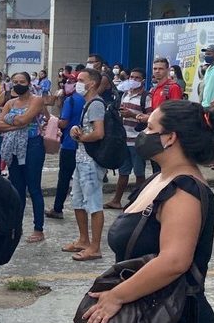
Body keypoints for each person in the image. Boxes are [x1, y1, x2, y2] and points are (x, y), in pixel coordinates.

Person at [82, 100, 214, 323]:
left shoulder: (185, 190)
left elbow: (174, 261)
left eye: (150, 127)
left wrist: (117, 296)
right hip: (145, 316)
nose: (143, 132)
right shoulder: (157, 180)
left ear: (170, 137)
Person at [0, 72, 47, 243]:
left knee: (34, 188)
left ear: (28, 83)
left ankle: (38, 229)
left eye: (22, 81)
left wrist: (11, 121)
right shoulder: (10, 102)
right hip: (12, 148)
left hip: (33, 145)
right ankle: (16, 227)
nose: (18, 84)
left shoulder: (36, 100)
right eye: (15, 82)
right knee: (17, 189)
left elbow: (25, 119)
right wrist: (17, 123)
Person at [64, 68, 107, 261]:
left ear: (91, 84)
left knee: (94, 203)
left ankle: (95, 247)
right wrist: (77, 130)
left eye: (81, 80)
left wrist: (82, 138)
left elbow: (98, 133)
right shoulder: (86, 103)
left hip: (91, 161)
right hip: (81, 159)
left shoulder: (96, 104)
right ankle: (83, 239)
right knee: (77, 200)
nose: (77, 83)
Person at [106, 68, 150, 210]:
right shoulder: (124, 94)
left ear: (143, 80)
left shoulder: (146, 97)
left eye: (137, 78)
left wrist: (132, 115)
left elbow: (150, 118)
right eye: (132, 77)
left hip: (138, 140)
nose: (133, 80)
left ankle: (139, 202)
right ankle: (116, 200)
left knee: (139, 173)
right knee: (123, 172)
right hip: (124, 139)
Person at [46, 74, 84, 220]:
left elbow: (63, 123)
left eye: (70, 82)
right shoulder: (86, 100)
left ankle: (57, 208)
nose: (66, 85)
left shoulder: (71, 100)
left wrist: (51, 120)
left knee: (64, 178)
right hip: (83, 145)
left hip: (69, 144)